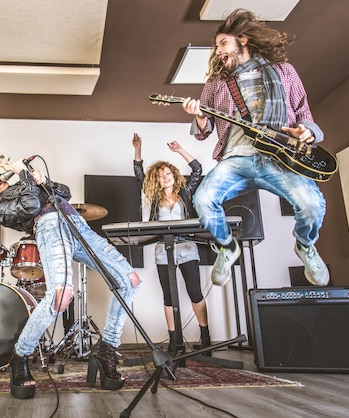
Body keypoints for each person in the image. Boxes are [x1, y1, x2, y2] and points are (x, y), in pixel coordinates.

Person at [0, 162, 141, 399]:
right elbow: (31, 206)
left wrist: (43, 181)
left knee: (129, 280)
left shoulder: (23, 185)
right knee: (61, 297)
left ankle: (107, 349)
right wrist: (26, 175)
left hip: (78, 226)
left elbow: (65, 192)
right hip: (51, 228)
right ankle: (19, 358)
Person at [181, 9, 329, 287]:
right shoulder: (215, 83)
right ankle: (226, 246)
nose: (218, 50)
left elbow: (303, 112)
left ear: (243, 40)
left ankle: (305, 246)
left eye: (223, 43)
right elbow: (205, 129)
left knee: (310, 205)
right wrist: (199, 117)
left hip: (279, 158)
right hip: (236, 159)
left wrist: (307, 131)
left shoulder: (284, 71)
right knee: (202, 200)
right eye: (216, 46)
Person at [132, 134, 211, 355]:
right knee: (169, 296)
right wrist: (138, 149)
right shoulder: (154, 197)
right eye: (160, 176)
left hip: (187, 248)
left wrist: (180, 150)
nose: (164, 178)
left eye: (167, 174)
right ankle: (174, 339)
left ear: (174, 176)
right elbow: (139, 175)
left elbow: (197, 170)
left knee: (195, 292)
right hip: (163, 251)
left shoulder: (185, 194)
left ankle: (205, 338)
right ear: (156, 180)